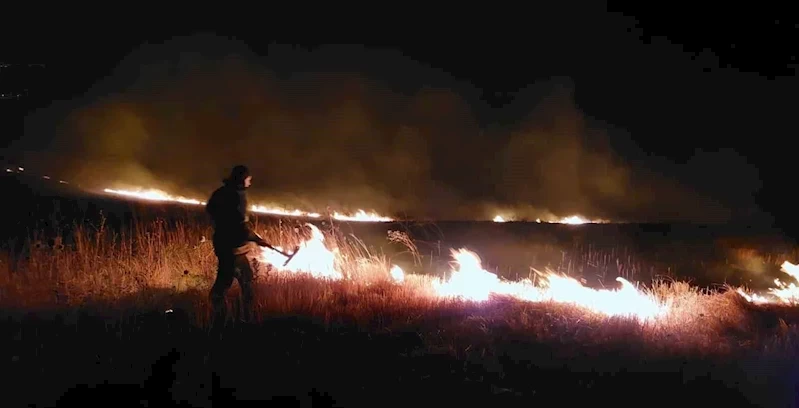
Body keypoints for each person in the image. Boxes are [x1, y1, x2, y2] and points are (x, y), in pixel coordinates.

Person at [205, 165, 270, 326]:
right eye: (248, 179)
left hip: (222, 244)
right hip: (235, 249)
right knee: (246, 281)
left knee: (225, 278)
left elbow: (210, 209)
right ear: (242, 179)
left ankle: (214, 311)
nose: (250, 182)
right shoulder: (238, 196)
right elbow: (240, 225)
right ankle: (246, 316)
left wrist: (220, 225)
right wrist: (256, 238)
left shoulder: (221, 192)